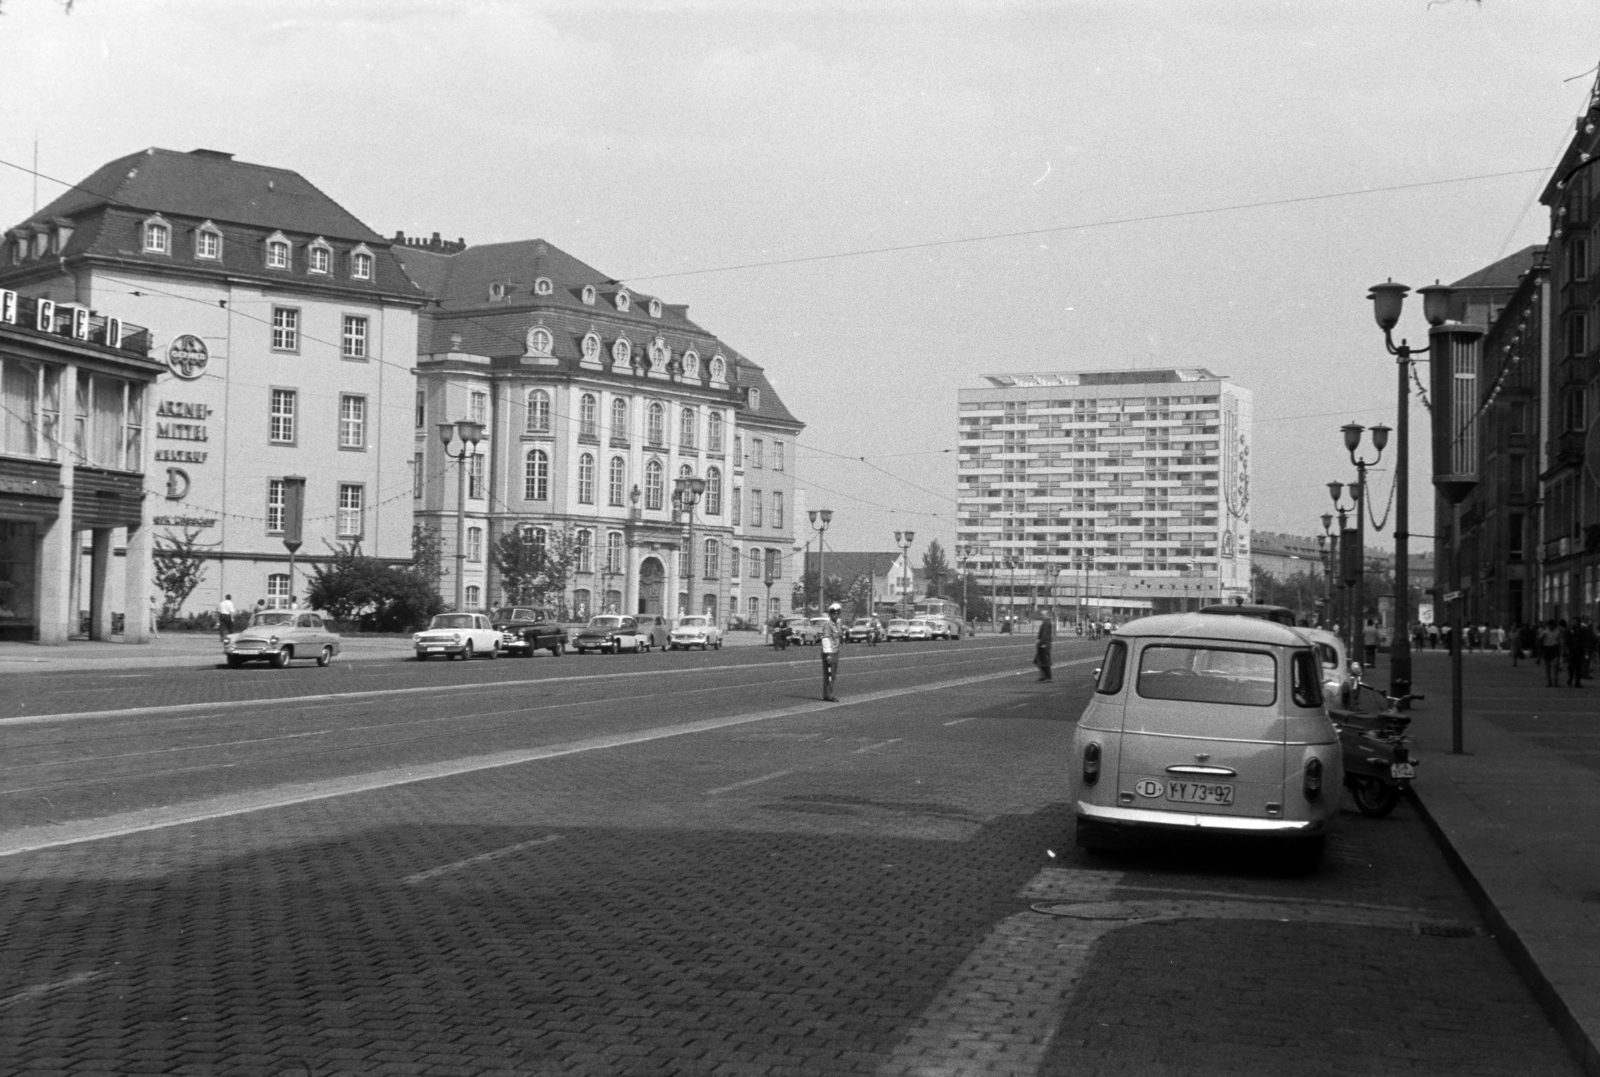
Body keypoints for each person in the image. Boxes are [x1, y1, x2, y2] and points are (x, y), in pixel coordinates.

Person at [819, 602, 844, 701]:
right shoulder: (827, 625)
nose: (836, 615)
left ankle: (828, 693)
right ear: (830, 614)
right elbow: (825, 639)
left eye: (838, 613)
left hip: (835, 652)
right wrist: (828, 654)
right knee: (829, 674)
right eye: (834, 613)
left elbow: (838, 637)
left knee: (832, 674)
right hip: (829, 653)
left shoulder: (836, 625)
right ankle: (828, 695)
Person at [1538, 619, 1562, 687]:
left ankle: (1555, 680)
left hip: (1555, 648)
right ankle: (1549, 681)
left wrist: (1561, 650)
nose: (1551, 627)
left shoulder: (1558, 632)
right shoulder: (1545, 632)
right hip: (1547, 648)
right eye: (1550, 625)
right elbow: (1540, 640)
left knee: (1556, 665)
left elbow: (1560, 641)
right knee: (1547, 666)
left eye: (1552, 625)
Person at [1034, 615, 1054, 681]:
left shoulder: (1046, 623)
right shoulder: (1046, 622)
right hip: (1044, 643)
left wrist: (1041, 643)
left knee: (1043, 660)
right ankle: (1045, 676)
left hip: (1044, 643)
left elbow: (1044, 634)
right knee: (1039, 660)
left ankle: (1047, 676)